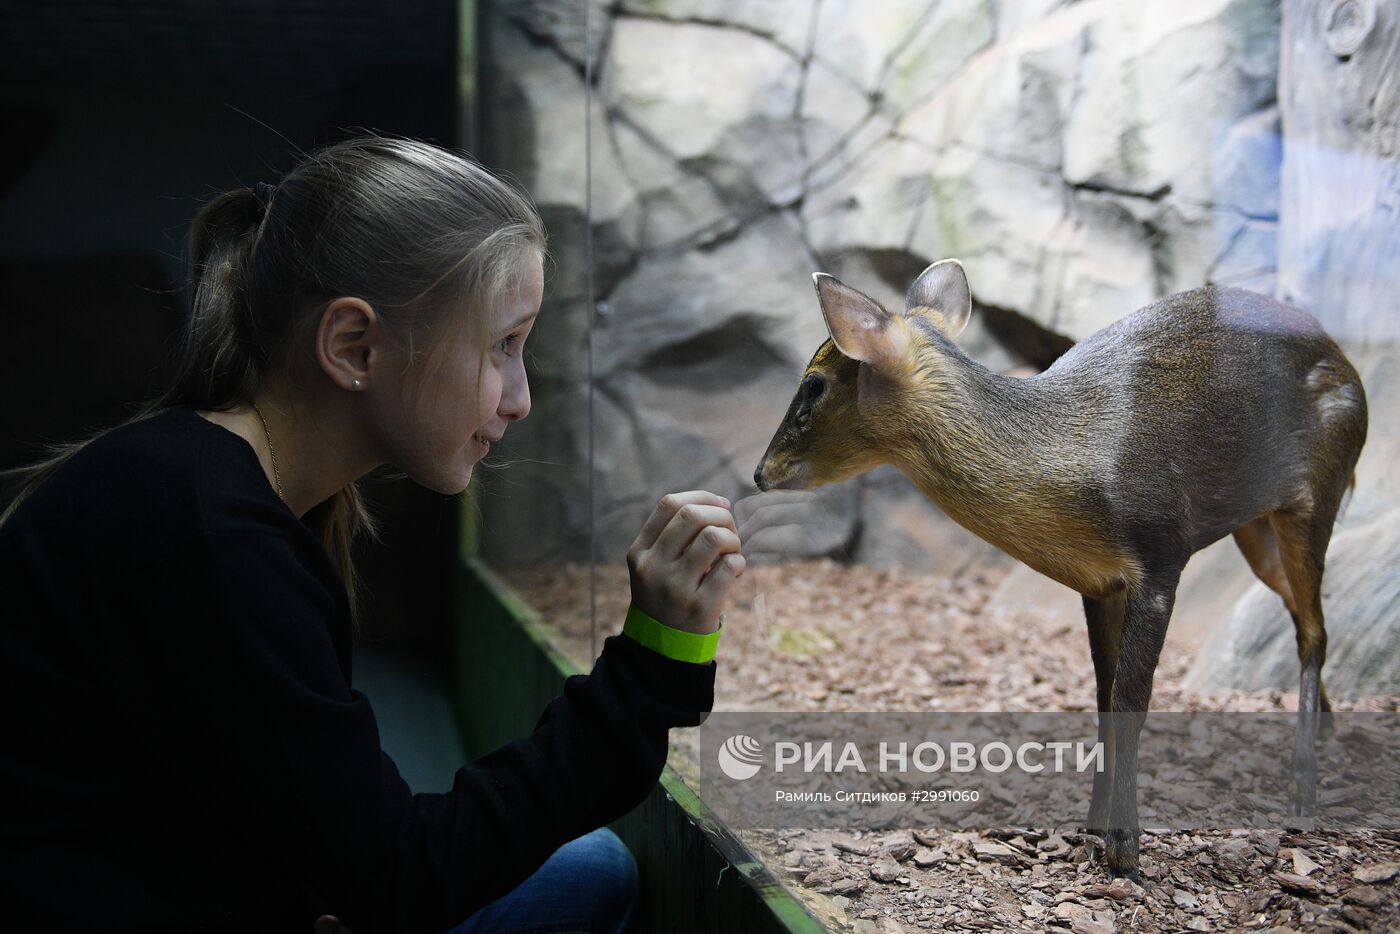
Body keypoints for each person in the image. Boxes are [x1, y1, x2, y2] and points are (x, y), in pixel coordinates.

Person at [0, 135, 746, 933]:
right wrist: (652, 663)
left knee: (588, 869)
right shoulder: (213, 535)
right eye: (503, 345)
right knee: (588, 874)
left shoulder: (208, 486)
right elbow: (398, 879)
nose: (519, 397)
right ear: (354, 346)